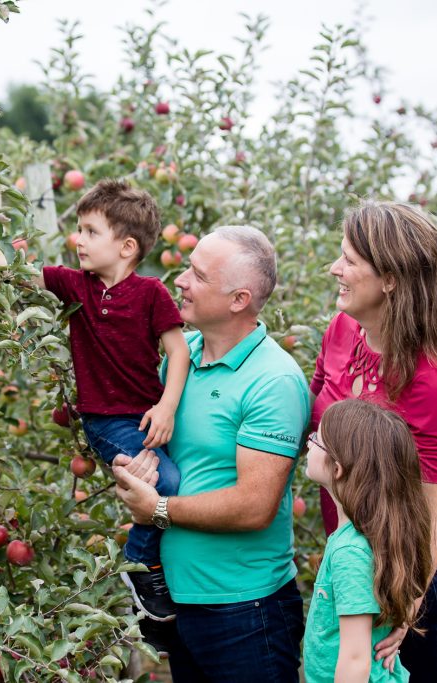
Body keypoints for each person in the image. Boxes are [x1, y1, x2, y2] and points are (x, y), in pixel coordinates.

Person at [0, 179, 190, 623]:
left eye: (90, 232)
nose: (78, 240)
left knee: (179, 484)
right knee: (167, 485)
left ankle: (166, 573)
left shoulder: (152, 294)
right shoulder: (75, 286)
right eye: (79, 229)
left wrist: (167, 406)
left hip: (146, 419)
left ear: (127, 247)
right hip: (105, 421)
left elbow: (179, 351)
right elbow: (10, 267)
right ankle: (140, 570)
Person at [113, 226, 310, 682]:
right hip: (181, 602)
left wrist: (156, 508)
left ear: (239, 299)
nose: (180, 280)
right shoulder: (184, 354)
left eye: (198, 276)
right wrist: (136, 465)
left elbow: (254, 506)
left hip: (244, 610)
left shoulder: (272, 382)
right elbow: (170, 451)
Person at [310, 200, 437, 680]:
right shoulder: (342, 329)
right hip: (356, 562)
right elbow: (315, 407)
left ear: (391, 280)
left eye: (349, 261)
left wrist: (406, 603)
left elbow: (430, 508)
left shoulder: (431, 381)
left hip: (418, 575)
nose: (334, 269)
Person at [303, 399, 432, 683]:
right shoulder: (364, 536)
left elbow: (355, 659)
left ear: (337, 469)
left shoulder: (351, 552)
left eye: (317, 440)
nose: (309, 443)